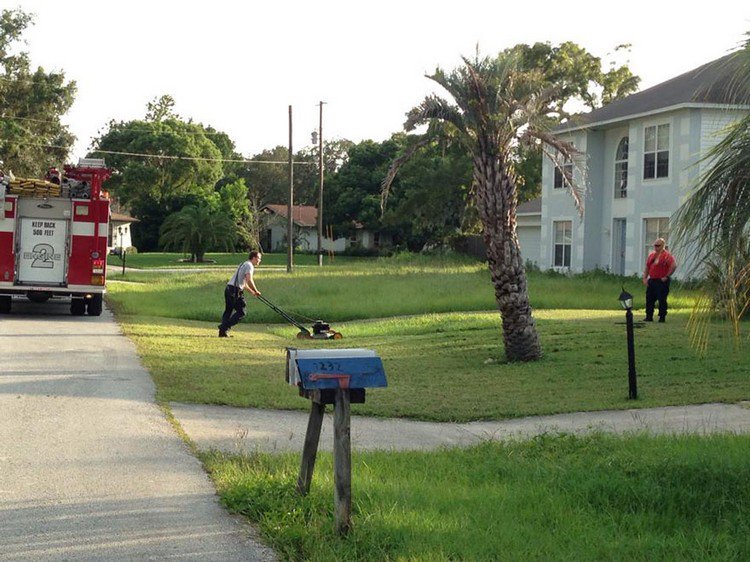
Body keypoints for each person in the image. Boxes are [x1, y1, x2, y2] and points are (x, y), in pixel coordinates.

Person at [218, 251, 262, 337]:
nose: (260, 260)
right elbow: (249, 280)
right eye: (259, 258)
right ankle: (223, 327)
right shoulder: (250, 266)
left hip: (229, 288)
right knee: (242, 311)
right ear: (254, 258)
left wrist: (253, 292)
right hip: (235, 290)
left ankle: (222, 333)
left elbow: (244, 283)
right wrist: (256, 290)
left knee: (228, 311)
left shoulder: (243, 264)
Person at [642, 238, 676, 322]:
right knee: (649, 298)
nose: (656, 247)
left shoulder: (667, 256)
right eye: (655, 245)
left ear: (662, 246)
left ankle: (662, 316)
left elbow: (673, 265)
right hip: (652, 280)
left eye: (658, 245)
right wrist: (645, 278)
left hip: (661, 281)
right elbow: (647, 267)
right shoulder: (651, 255)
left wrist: (667, 276)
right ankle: (649, 316)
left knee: (662, 299)